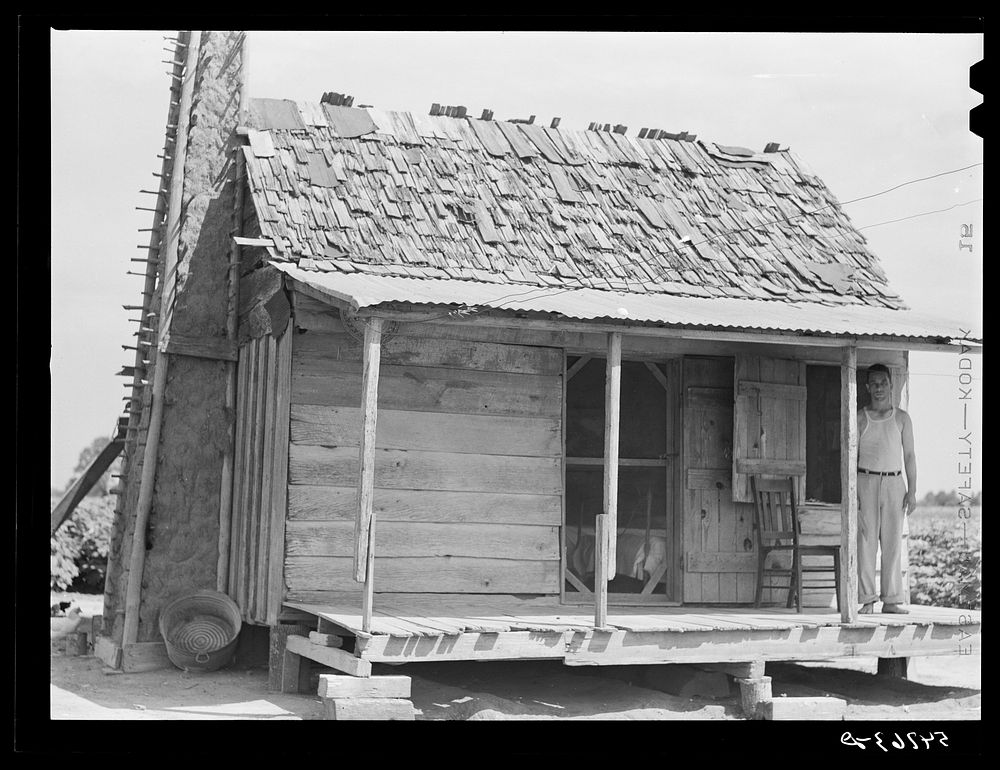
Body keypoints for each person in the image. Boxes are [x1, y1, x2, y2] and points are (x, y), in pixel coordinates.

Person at [856, 363, 917, 614]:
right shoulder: (860, 417)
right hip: (865, 482)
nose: (879, 388)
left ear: (891, 385)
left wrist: (912, 491)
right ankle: (867, 600)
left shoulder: (902, 418)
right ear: (868, 387)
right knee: (865, 542)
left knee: (892, 543)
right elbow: (850, 456)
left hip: (894, 483)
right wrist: (852, 492)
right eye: (875, 384)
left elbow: (910, 455)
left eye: (883, 383)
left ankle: (891, 600)